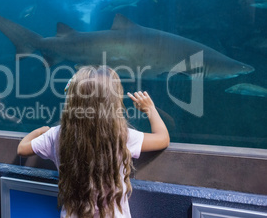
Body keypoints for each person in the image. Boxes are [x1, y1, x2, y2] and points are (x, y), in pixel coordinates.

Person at [17, 66, 169, 218]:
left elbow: (22, 149)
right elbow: (163, 139)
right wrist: (150, 109)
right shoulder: (122, 137)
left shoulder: (56, 135)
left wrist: (40, 131)